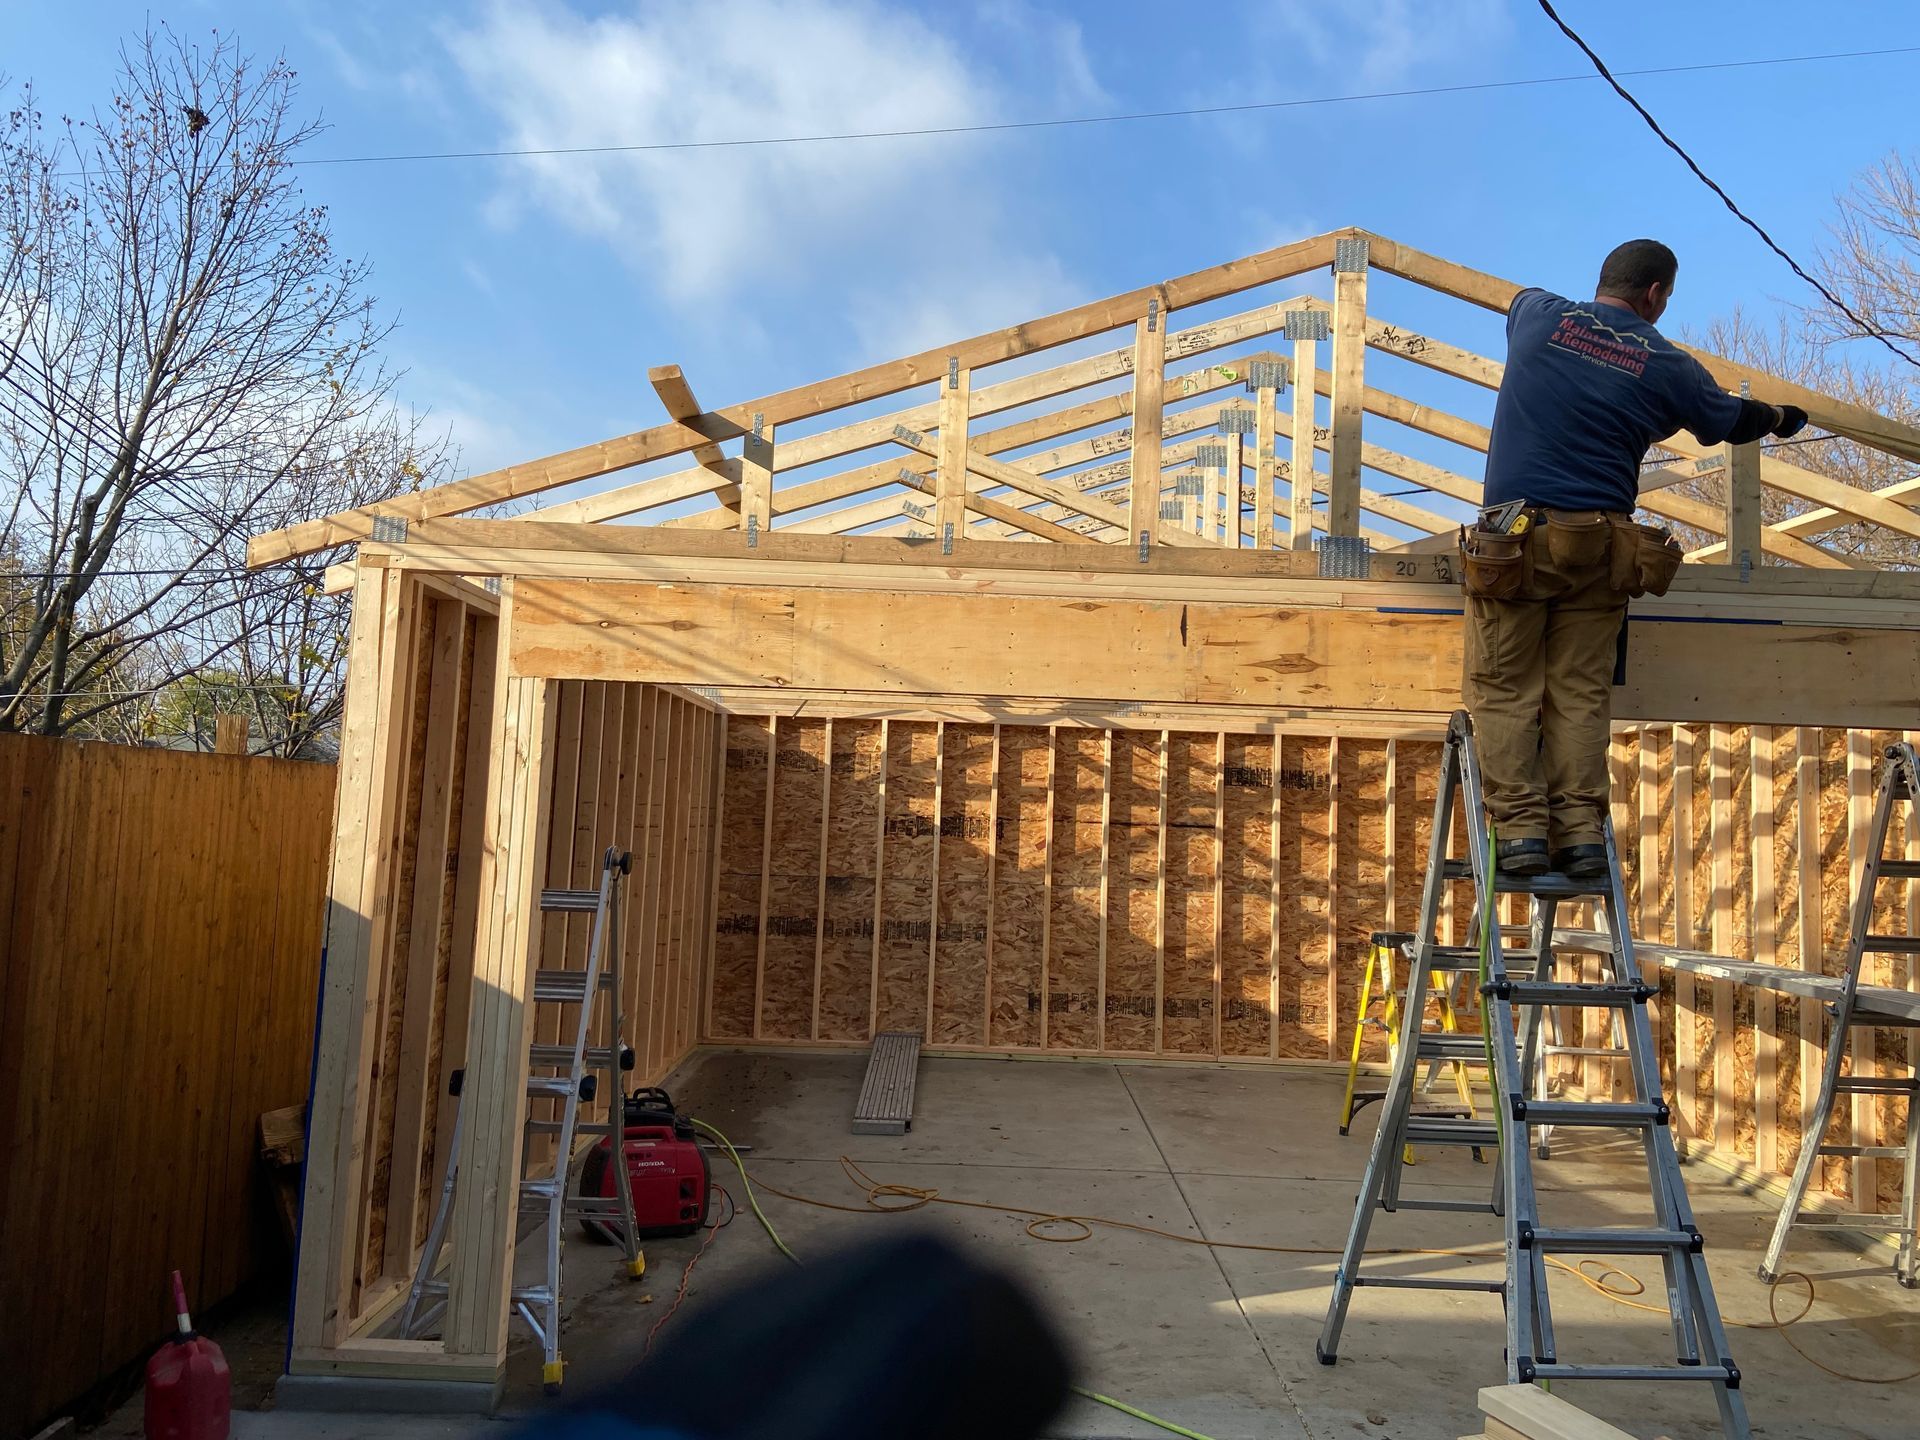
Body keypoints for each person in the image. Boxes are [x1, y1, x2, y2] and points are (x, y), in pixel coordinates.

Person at [1463, 239, 1807, 879]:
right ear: (1654, 294)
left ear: (1604, 279)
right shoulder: (1668, 366)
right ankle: (1579, 835)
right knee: (1579, 691)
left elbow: (1516, 304)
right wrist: (1782, 416)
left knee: (1506, 687)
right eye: (1665, 297)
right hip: (1599, 547)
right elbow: (1732, 421)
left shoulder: (1538, 313)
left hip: (1515, 544)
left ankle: (1520, 833)